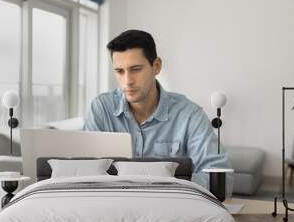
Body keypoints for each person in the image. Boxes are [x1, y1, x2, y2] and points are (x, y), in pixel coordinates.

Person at [84, 29, 232, 195]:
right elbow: (84, 172)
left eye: (136, 69)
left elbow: (222, 181)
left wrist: (157, 182)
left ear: (156, 66)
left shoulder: (189, 114)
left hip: (172, 209)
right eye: (120, 71)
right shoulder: (101, 108)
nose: (127, 81)